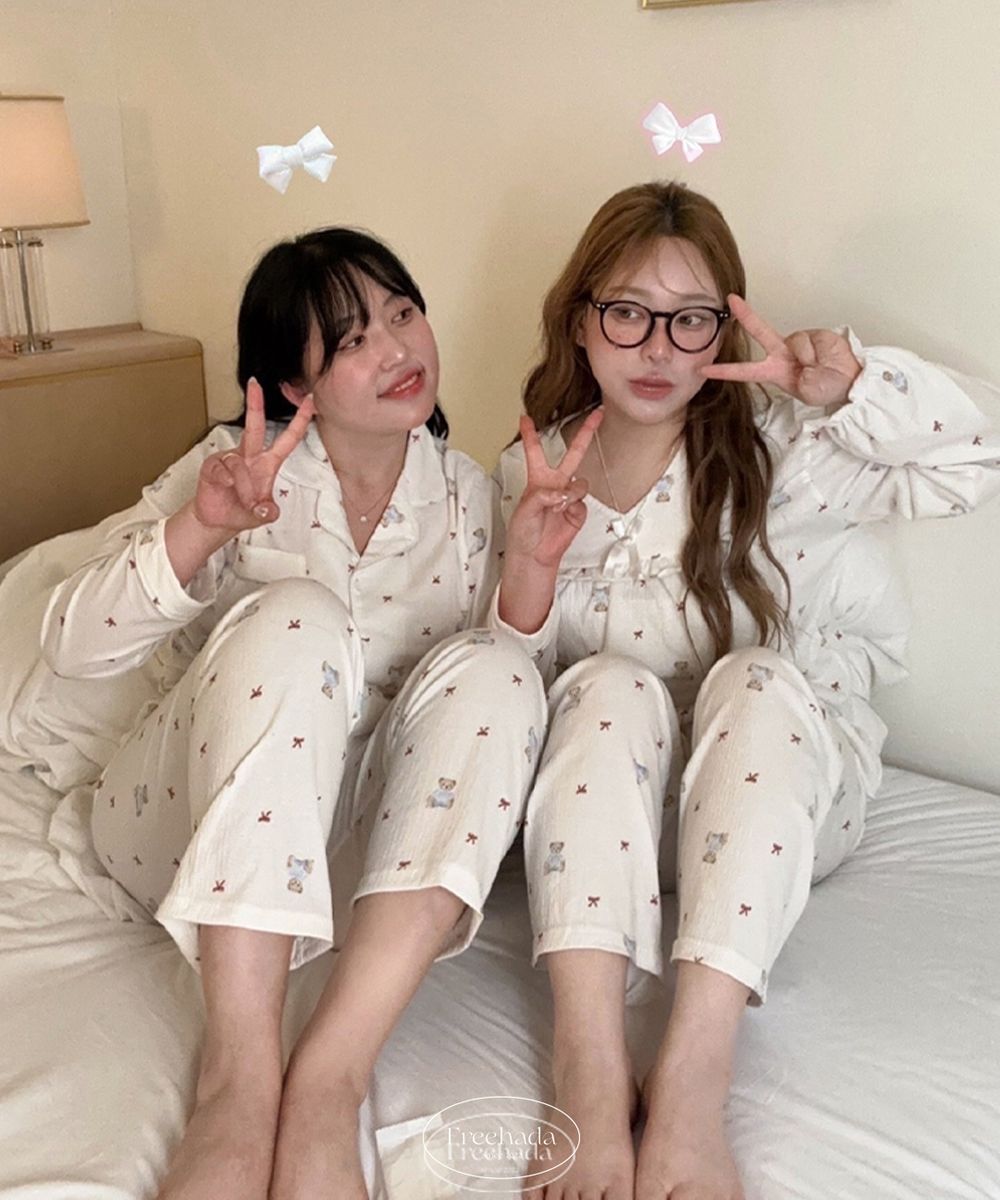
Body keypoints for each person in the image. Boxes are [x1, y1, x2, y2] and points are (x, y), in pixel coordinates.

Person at [490, 180, 1000, 1200]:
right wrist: (530, 572)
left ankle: (693, 1075)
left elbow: (975, 460)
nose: (657, 348)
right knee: (602, 686)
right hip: (620, 816)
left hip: (777, 793)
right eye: (627, 313)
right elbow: (510, 688)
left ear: (723, 329)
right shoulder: (532, 468)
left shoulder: (788, 453)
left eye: (690, 319)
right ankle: (589, 1067)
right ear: (580, 319)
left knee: (759, 678)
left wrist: (853, 387)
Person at [38, 228, 546, 1200]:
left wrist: (526, 577)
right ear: (291, 381)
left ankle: (327, 1081)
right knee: (298, 615)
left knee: (497, 669)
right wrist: (201, 528)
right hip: (183, 825)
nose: (396, 349)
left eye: (402, 314)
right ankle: (236, 1085)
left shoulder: (469, 498)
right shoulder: (231, 469)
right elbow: (73, 647)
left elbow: (487, 738)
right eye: (352, 339)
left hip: (351, 852)